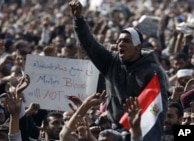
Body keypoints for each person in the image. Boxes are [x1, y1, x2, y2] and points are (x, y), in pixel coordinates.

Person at [69, 0, 169, 141]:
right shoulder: (110, 61)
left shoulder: (152, 71)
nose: (120, 44)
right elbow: (89, 45)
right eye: (119, 41)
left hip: (139, 132)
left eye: (126, 41)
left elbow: (159, 108)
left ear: (138, 46)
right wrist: (78, 20)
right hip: (113, 129)